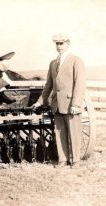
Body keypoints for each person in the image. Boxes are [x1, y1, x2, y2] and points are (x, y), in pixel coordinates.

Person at [33, 33, 86, 168]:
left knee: (74, 133)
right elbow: (48, 85)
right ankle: (62, 159)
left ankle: (75, 161)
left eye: (61, 43)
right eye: (57, 43)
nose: (59, 46)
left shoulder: (76, 60)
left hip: (70, 105)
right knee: (59, 132)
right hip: (57, 105)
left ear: (68, 43)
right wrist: (40, 101)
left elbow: (80, 83)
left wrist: (76, 104)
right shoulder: (53, 63)